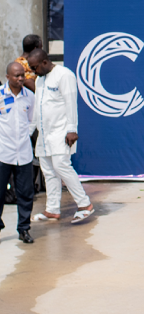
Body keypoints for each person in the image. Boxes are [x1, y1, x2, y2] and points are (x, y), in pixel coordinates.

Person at [25, 49, 95, 224]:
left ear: (44, 62)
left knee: (61, 166)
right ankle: (52, 210)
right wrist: (28, 131)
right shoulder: (40, 80)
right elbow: (37, 109)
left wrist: (72, 129)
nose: (33, 71)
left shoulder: (64, 75)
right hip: (44, 134)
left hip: (61, 132)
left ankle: (84, 204)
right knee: (48, 171)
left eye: (35, 67)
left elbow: (71, 103)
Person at [1, 62, 36, 243]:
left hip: (23, 154)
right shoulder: (0, 95)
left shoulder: (29, 96)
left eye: (23, 75)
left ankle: (24, 229)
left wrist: (25, 136)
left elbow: (32, 121)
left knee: (25, 193)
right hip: (3, 153)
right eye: (17, 76)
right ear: (8, 77)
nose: (21, 78)